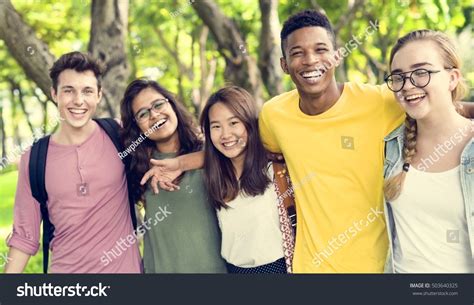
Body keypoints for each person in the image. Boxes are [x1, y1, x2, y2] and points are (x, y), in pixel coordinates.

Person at [140, 10, 474, 273]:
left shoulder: (381, 101)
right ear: (285, 64)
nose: (310, 60)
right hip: (309, 270)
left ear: (336, 56)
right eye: (297, 53)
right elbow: (240, 149)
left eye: (320, 50)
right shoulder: (275, 115)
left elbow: (442, 104)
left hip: (380, 270)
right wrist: (182, 162)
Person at [5, 52, 141, 273]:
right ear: (54, 94)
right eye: (68, 91)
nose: (78, 100)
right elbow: (24, 236)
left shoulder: (119, 135)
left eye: (87, 91)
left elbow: (170, 152)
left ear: (99, 95)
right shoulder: (34, 159)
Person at [382, 30, 473, 273]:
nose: (408, 85)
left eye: (421, 72)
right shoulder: (392, 147)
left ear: (452, 78)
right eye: (398, 77)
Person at [120, 79, 227, 273]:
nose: (154, 115)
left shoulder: (210, 152)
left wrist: (182, 163)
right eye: (143, 114)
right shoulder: (138, 168)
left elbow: (245, 152)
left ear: (172, 104)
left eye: (158, 104)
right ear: (137, 127)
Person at [199, 86, 294, 273]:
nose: (226, 134)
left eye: (234, 123)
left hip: (279, 269)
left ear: (250, 123)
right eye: (216, 126)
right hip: (235, 271)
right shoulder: (214, 176)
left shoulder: (275, 169)